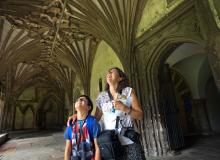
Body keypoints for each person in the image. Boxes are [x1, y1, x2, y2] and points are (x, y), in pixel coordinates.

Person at [95, 67, 145, 160]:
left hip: (129, 141)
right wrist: (78, 116)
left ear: (120, 78)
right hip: (110, 143)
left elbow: (140, 115)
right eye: (108, 72)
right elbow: (95, 119)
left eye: (112, 72)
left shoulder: (127, 92)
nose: (109, 73)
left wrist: (124, 108)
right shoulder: (102, 97)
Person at [64, 95, 101, 160]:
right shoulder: (71, 124)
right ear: (75, 108)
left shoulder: (93, 122)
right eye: (77, 100)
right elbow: (68, 149)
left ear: (89, 107)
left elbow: (98, 148)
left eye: (82, 100)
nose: (79, 100)